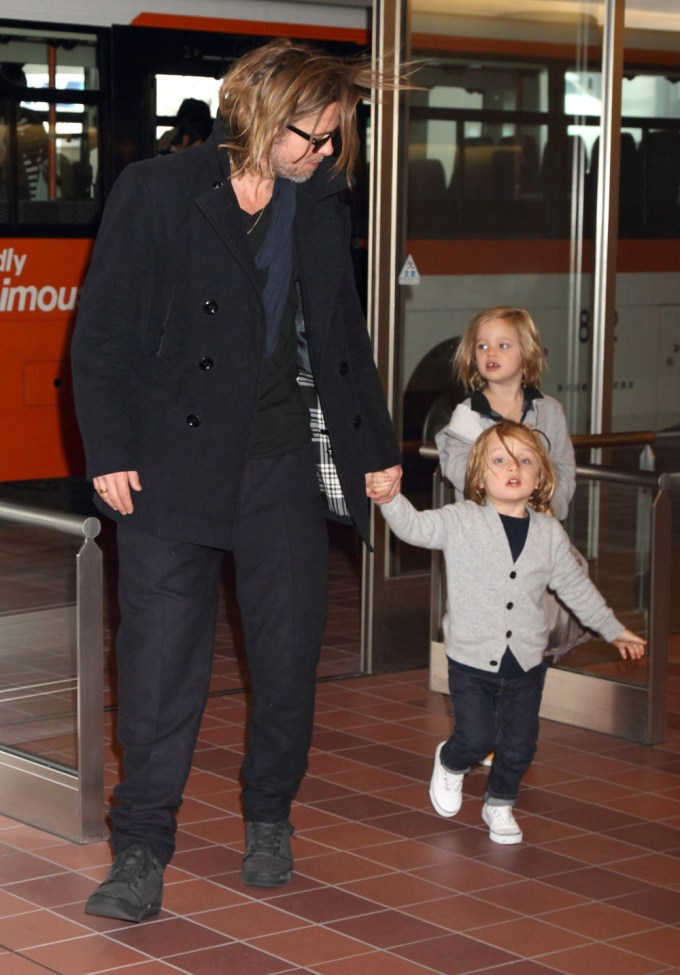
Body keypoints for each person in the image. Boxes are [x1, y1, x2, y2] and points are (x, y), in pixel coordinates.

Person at [71, 38, 403, 922]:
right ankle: (140, 847)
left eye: (336, 138)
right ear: (256, 112)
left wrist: (374, 447)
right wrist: (107, 451)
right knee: (157, 666)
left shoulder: (321, 206)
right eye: (311, 134)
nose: (324, 153)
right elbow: (100, 339)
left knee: (288, 656)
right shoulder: (158, 192)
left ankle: (269, 815)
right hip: (169, 467)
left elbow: (340, 339)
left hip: (278, 460)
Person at [373, 421, 645, 845]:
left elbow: (575, 587)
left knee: (520, 745)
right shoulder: (462, 520)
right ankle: (450, 761)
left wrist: (614, 628)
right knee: (478, 736)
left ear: (540, 475)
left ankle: (499, 803)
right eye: (500, 460)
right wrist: (390, 499)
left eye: (525, 459)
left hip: (527, 660)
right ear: (480, 475)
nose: (513, 467)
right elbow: (415, 528)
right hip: (470, 657)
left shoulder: (549, 533)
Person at [435, 306, 576, 521]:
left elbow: (563, 468)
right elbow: (460, 471)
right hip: (484, 531)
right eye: (482, 346)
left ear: (527, 353)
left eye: (503, 345)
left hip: (538, 529)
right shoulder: (467, 415)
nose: (491, 353)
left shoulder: (549, 411)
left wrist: (550, 507)